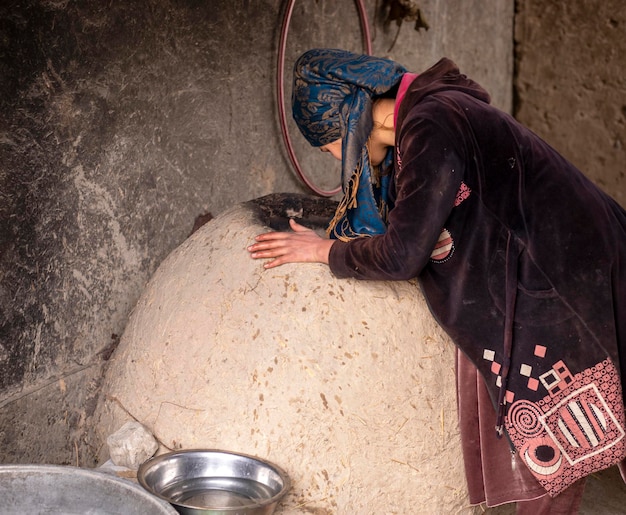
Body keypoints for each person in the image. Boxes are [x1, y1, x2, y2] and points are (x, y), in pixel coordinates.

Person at [247, 48, 626, 513]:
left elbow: (405, 253)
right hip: (567, 261)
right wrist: (337, 235)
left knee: (556, 442)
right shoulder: (434, 112)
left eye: (330, 144)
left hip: (567, 273)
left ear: (353, 123)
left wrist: (325, 252)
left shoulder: (431, 127)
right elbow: (416, 214)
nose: (335, 157)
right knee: (559, 443)